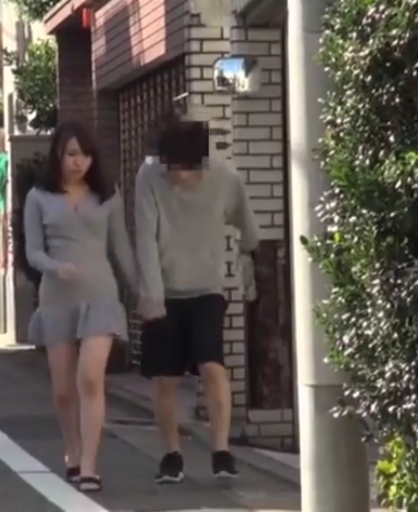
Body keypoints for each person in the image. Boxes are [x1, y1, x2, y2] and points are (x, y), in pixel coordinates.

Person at [135, 116, 260, 484]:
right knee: (165, 379)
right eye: (168, 165)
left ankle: (221, 452)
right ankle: (171, 455)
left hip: (207, 289)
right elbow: (145, 238)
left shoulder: (224, 178)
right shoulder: (149, 176)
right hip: (164, 291)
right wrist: (152, 296)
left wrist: (249, 261)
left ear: (201, 163)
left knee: (212, 366)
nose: (175, 174)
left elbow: (248, 228)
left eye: (182, 167)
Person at [23, 121, 136, 493]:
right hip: (57, 298)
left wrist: (143, 292)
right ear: (58, 154)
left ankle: (89, 464)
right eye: (72, 154)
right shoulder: (38, 197)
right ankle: (72, 450)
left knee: (90, 378)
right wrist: (56, 267)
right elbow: (32, 251)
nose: (79, 162)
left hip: (100, 295)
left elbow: (121, 248)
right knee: (62, 390)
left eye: (86, 155)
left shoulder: (106, 195)